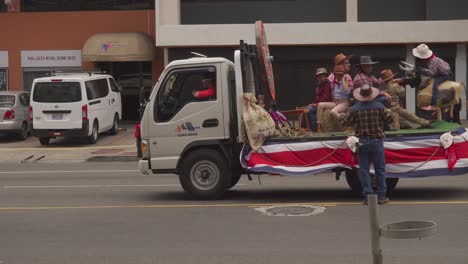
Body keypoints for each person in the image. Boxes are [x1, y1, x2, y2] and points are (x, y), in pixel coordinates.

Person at [339, 84, 394, 205]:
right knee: (380, 169)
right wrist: (390, 111)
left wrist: (341, 115)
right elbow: (390, 119)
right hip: (376, 141)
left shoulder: (355, 109)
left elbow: (344, 122)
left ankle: (368, 196)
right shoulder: (379, 106)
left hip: (362, 141)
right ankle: (381, 196)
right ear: (371, 94)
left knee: (364, 170)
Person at [412, 44, 452, 108]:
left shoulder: (432, 61)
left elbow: (432, 73)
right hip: (440, 73)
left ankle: (434, 104)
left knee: (435, 84)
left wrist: (422, 70)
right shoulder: (432, 59)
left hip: (445, 75)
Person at [316, 65, 350, 132]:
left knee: (333, 112)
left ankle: (346, 125)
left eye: (341, 74)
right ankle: (319, 126)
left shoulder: (345, 81)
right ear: (335, 75)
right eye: (337, 74)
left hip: (343, 102)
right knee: (320, 105)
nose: (339, 76)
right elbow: (325, 81)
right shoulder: (333, 82)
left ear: (343, 75)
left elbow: (347, 91)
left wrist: (343, 81)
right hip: (335, 102)